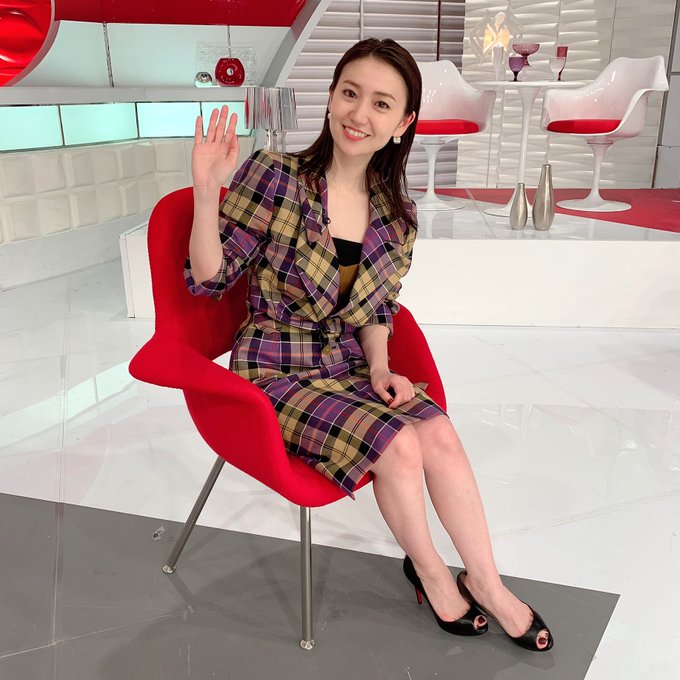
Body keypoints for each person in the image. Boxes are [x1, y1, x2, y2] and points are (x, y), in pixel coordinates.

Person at [185, 38, 553, 652]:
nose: (360, 114)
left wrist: (380, 366)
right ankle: (432, 574)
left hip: (346, 365)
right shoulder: (275, 176)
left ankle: (486, 581)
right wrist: (205, 190)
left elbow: (378, 308)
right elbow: (208, 280)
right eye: (350, 94)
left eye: (381, 104)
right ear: (331, 97)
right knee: (400, 445)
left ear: (403, 123)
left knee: (439, 433)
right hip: (275, 371)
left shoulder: (396, 213)